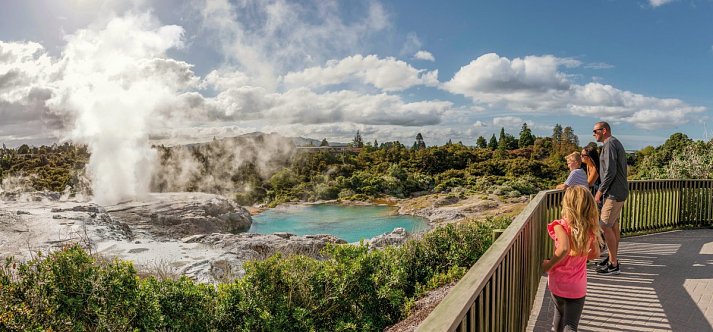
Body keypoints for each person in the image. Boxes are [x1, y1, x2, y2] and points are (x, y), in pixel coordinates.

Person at [542, 186, 603, 332]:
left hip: (558, 282)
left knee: (559, 315)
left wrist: (548, 265)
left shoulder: (560, 226)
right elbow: (595, 254)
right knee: (571, 324)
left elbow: (563, 248)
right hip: (577, 286)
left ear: (567, 204)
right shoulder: (589, 229)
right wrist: (581, 255)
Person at [592, 121, 629, 275]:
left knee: (605, 226)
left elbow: (610, 172)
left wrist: (600, 192)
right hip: (618, 191)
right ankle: (612, 259)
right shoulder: (614, 143)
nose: (593, 134)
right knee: (612, 226)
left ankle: (613, 264)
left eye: (595, 131)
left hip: (614, 193)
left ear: (604, 130)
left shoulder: (609, 144)